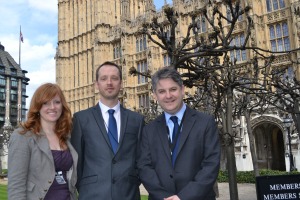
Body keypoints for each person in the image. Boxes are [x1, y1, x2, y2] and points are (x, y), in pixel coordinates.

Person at [137, 67, 220, 200]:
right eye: (162, 91)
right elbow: (144, 168)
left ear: (182, 90)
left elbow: (211, 165)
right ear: (155, 95)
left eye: (173, 89)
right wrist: (165, 197)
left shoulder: (205, 122)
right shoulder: (149, 130)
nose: (168, 95)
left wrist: (183, 197)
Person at [71, 61, 144, 200]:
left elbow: (141, 159)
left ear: (121, 83)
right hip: (92, 195)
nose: (109, 82)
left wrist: (130, 182)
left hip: (128, 194)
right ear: (96, 84)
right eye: (104, 78)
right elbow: (76, 162)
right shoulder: (81, 119)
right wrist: (88, 188)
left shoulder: (137, 120)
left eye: (114, 78)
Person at [8, 83, 78, 200]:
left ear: (62, 105)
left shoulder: (66, 136)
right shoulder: (23, 136)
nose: (52, 107)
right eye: (46, 103)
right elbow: (16, 186)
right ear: (38, 107)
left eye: (57, 102)